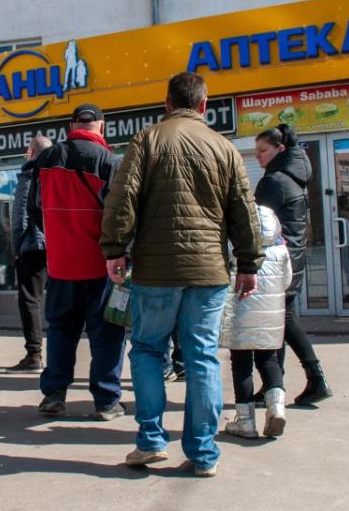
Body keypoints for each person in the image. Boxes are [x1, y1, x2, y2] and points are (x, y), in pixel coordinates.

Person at [102, 73, 263, 477]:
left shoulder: (147, 140)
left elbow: (122, 198)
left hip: (155, 270)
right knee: (202, 357)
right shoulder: (225, 148)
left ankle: (151, 441)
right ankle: (204, 453)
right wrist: (248, 263)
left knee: (147, 351)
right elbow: (243, 209)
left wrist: (115, 249)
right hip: (209, 271)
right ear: (204, 104)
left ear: (168, 103)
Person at [29, 103, 127, 420]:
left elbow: (34, 208)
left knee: (60, 332)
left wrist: (58, 236)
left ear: (71, 126)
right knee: (107, 335)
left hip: (59, 265)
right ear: (103, 126)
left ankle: (54, 395)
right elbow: (119, 216)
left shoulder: (46, 158)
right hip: (100, 266)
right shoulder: (108, 161)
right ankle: (107, 402)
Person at [254, 126, 333, 406]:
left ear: (280, 149)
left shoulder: (274, 181)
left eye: (263, 150)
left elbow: (259, 227)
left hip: (276, 263)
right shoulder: (294, 178)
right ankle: (276, 385)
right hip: (292, 258)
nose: (258, 157)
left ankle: (310, 379)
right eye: (256, 151)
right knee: (281, 322)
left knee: (280, 322)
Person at [220, 204, 293, 439]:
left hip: (240, 314)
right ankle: (276, 407)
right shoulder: (281, 250)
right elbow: (287, 281)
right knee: (269, 359)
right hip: (270, 316)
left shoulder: (235, 249)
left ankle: (245, 421)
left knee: (241, 364)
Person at [7, 135, 52, 373]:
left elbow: (20, 216)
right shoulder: (57, 172)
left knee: (30, 300)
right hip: (55, 246)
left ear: (30, 151)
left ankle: (34, 354)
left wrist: (16, 249)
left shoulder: (29, 174)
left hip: (33, 246)